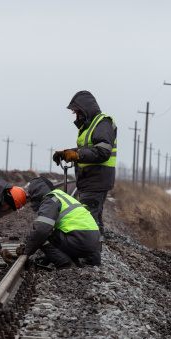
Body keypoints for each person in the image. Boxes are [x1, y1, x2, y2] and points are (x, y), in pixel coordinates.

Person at [52, 90, 117, 245]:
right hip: (91, 179)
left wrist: (77, 155)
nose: (77, 116)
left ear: (86, 110)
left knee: (88, 219)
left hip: (97, 180)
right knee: (94, 218)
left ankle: (90, 253)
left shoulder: (102, 124)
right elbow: (87, 149)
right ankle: (96, 251)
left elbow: (103, 152)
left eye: (78, 112)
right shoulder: (90, 126)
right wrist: (68, 152)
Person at [21, 176, 101, 267]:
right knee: (55, 232)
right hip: (94, 242)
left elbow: (41, 230)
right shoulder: (62, 196)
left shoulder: (50, 199)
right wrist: (47, 257)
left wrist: (27, 250)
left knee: (41, 236)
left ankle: (65, 263)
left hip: (80, 240)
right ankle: (83, 261)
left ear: (36, 192)